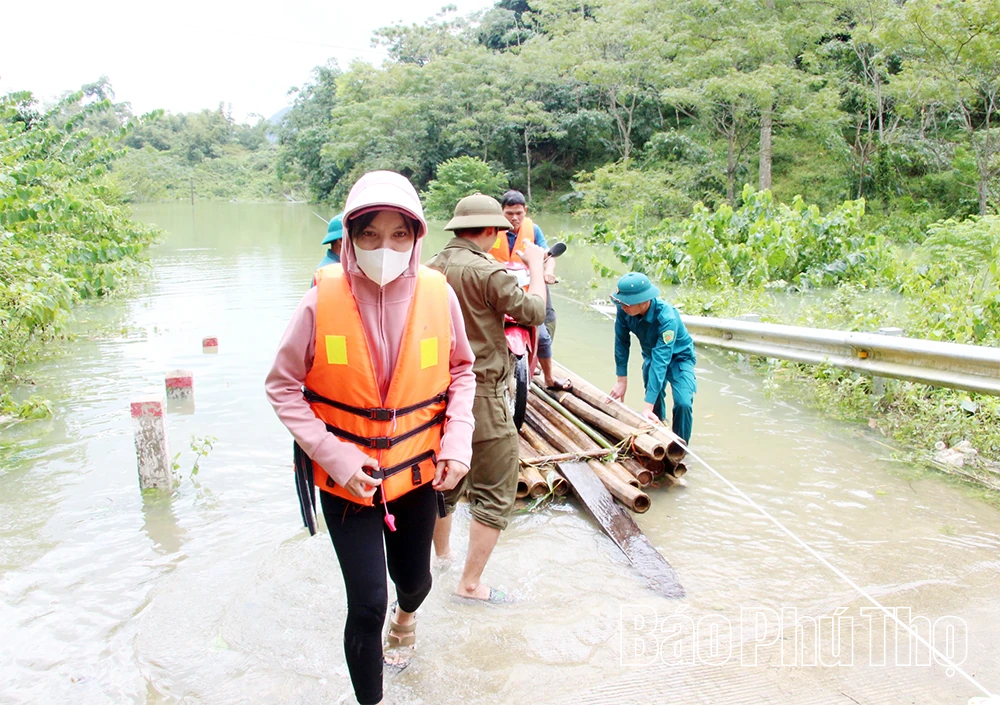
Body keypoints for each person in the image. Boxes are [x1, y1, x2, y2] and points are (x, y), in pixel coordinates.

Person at [265, 171, 476, 705]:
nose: (386, 248)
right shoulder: (319, 302)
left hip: (414, 471)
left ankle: (406, 619)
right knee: (364, 604)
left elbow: (462, 373)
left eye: (400, 235)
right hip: (347, 485)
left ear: (417, 236)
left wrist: (457, 440)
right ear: (351, 238)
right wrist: (334, 457)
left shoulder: (438, 294)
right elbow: (283, 387)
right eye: (371, 235)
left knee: (416, 582)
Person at [426, 193, 547, 602]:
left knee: (444, 482)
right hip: (481, 394)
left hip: (435, 398)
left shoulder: (429, 270)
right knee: (497, 489)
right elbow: (533, 312)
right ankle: (470, 584)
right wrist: (534, 267)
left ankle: (441, 558)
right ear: (493, 231)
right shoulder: (489, 272)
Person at [607, 272, 697, 444]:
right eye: (620, 302)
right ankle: (658, 433)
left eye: (625, 303)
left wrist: (645, 406)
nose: (622, 306)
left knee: (683, 403)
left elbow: (661, 361)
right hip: (651, 355)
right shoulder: (624, 310)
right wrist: (621, 380)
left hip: (679, 358)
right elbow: (621, 343)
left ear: (643, 301)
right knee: (654, 401)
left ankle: (680, 447)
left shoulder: (667, 318)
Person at [496, 190, 570, 390]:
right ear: (501, 211)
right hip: (499, 288)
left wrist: (549, 272)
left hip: (530, 287)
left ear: (525, 211)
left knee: (544, 334)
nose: (514, 218)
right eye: (509, 213)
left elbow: (548, 254)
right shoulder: (491, 230)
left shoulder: (533, 230)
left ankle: (548, 377)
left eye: (519, 213)